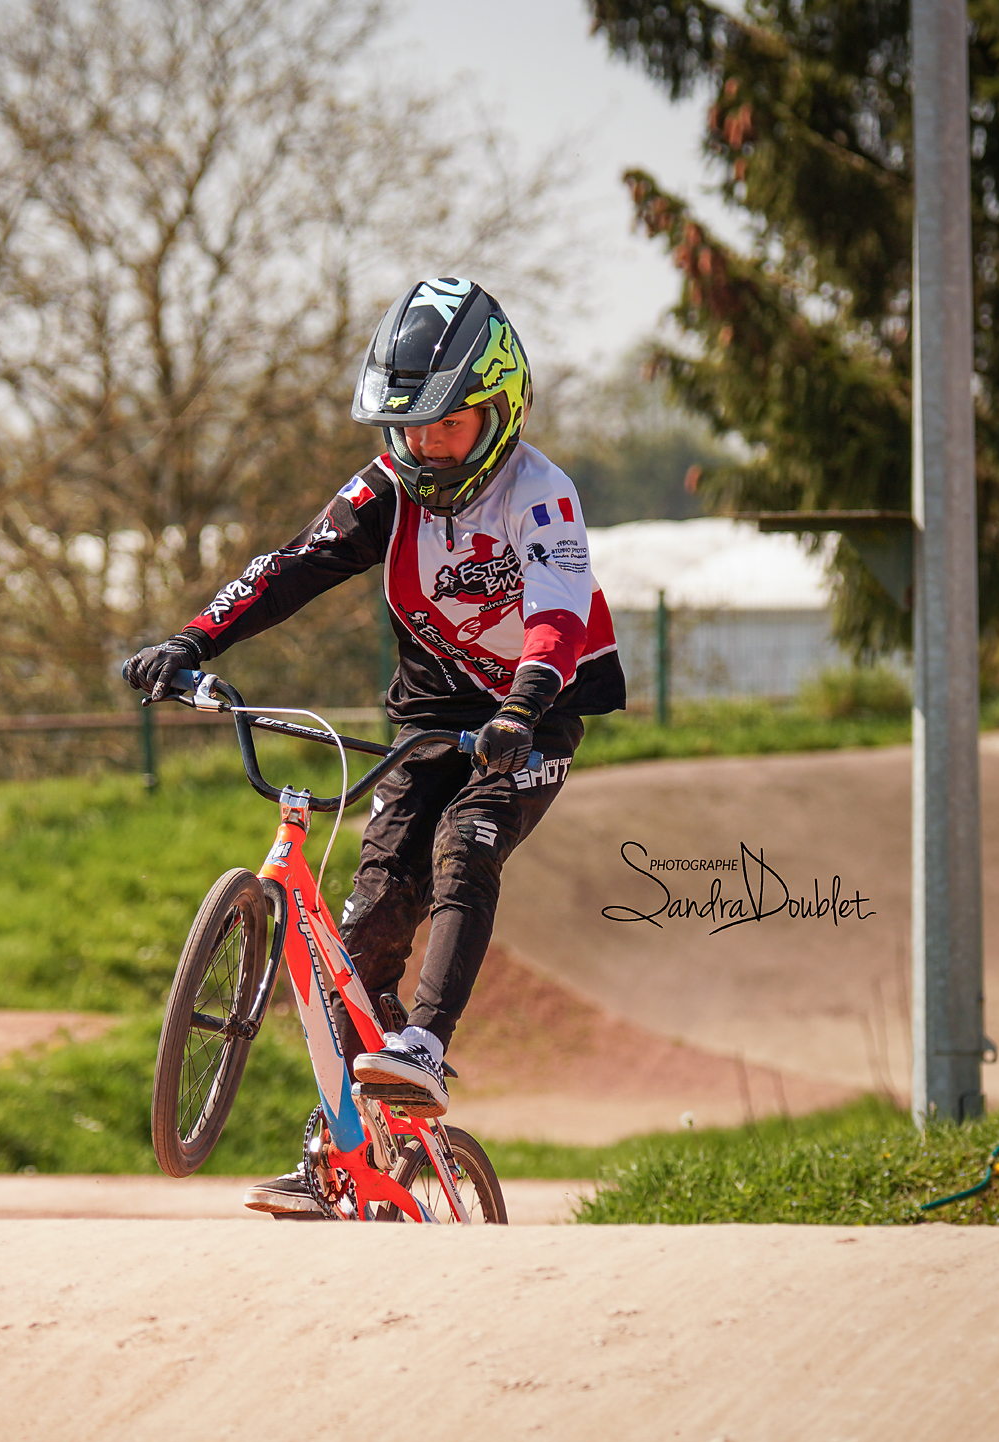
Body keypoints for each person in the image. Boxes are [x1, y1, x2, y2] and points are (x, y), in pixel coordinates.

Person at [123, 277, 625, 1215]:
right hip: (431, 720)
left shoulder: (542, 497)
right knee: (361, 931)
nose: (423, 449)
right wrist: (193, 640)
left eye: (446, 427)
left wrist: (519, 711)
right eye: (407, 429)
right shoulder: (389, 488)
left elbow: (557, 619)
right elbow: (290, 568)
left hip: (530, 720)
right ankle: (341, 1155)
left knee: (464, 846)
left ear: (502, 407)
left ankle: (426, 1048)